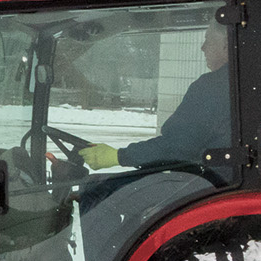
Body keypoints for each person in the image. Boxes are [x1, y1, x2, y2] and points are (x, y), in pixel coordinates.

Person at [80, 19, 231, 170]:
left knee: (98, 191)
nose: (202, 48)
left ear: (226, 44)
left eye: (208, 40)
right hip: (219, 178)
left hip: (213, 182)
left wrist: (118, 156)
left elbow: (176, 146)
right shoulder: (234, 83)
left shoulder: (213, 86)